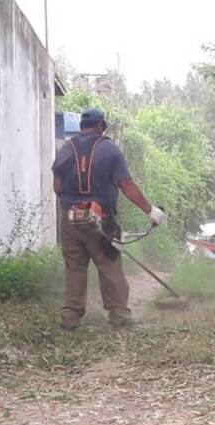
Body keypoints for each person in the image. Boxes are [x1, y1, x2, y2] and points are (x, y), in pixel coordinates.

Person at [52, 108, 166, 330]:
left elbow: (57, 186)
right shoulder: (109, 150)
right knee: (109, 265)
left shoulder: (66, 148)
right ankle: (119, 315)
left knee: (75, 267)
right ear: (102, 125)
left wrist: (73, 203)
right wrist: (150, 210)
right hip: (100, 218)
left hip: (70, 219)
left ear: (82, 127)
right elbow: (126, 185)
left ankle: (71, 318)